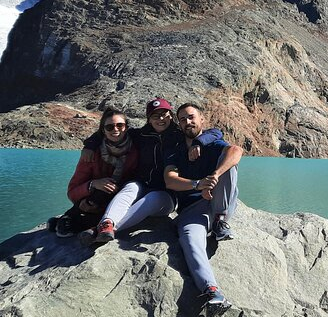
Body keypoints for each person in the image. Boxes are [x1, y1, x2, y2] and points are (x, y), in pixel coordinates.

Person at [78, 97, 223, 244]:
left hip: (167, 194)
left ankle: (99, 231)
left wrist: (199, 142)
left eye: (164, 114)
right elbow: (113, 133)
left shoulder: (180, 134)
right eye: (155, 116)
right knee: (130, 187)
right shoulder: (141, 135)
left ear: (170, 116)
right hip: (142, 184)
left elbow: (215, 132)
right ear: (149, 119)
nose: (161, 119)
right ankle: (107, 223)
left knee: (152, 198)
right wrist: (90, 145)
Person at [164, 102, 242, 317]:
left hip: (217, 203)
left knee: (229, 162)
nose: (187, 122)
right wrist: (198, 184)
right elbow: (170, 180)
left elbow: (236, 151)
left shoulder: (213, 142)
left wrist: (214, 176)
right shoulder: (176, 151)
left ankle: (220, 221)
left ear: (201, 119)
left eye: (191, 117)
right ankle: (212, 291)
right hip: (193, 209)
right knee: (190, 239)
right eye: (182, 119)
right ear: (178, 124)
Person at [50, 107, 138, 238]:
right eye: (109, 127)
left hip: (122, 197)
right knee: (100, 193)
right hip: (93, 199)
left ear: (126, 127)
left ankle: (68, 222)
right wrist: (92, 185)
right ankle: (75, 219)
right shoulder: (92, 154)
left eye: (120, 125)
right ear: (103, 131)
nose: (115, 129)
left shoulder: (137, 147)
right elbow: (73, 191)